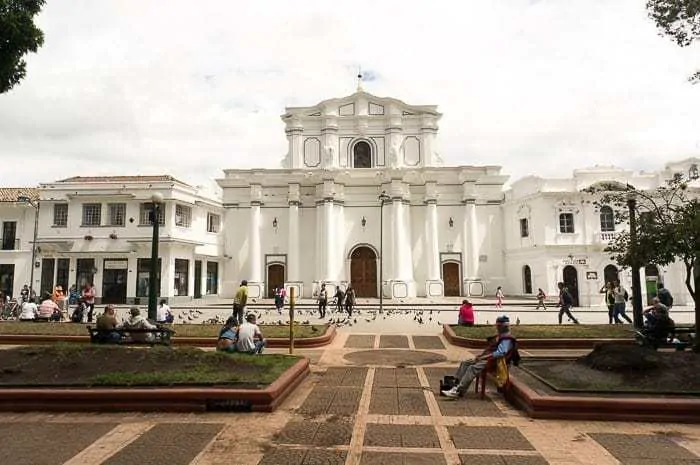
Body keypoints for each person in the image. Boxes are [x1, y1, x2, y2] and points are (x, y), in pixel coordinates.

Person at [441, 315, 518, 398]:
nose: (497, 328)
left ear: (503, 327)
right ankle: (455, 384)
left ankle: (459, 391)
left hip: (495, 362)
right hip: (488, 359)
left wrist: (483, 357)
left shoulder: (507, 339)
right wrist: (481, 356)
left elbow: (500, 353)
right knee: (466, 363)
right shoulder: (500, 336)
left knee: (472, 368)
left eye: (498, 326)